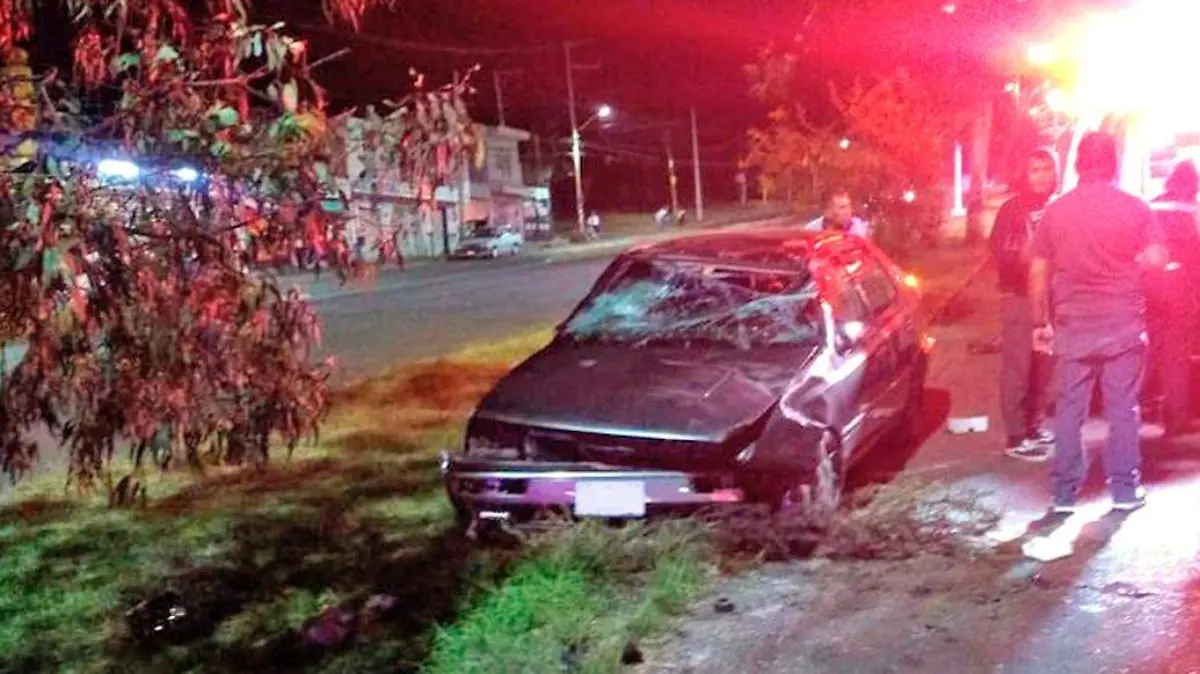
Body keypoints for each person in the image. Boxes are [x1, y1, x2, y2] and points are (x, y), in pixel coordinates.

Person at [1029, 131, 1168, 514]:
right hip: (1122, 323)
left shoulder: (1056, 211)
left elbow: (1038, 270)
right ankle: (1124, 490)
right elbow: (1156, 259)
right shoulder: (1135, 207)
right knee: (1122, 407)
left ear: (1077, 165)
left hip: (1073, 325)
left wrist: (1039, 321)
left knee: (1071, 408)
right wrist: (1131, 267)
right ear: (1113, 163)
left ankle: (1064, 495)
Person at [990, 148, 1059, 461]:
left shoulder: (1058, 207)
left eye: (1046, 168)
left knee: (1043, 366)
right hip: (1019, 297)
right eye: (1034, 169)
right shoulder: (1012, 210)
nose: (1041, 175)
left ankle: (1034, 424)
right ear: (1025, 174)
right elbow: (1001, 252)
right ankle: (1016, 434)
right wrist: (1027, 263)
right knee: (1019, 366)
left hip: (1051, 298)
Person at [1146, 160, 1200, 436]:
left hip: (1148, 285)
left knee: (1153, 348)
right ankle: (1175, 416)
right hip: (1178, 286)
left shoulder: (1152, 205)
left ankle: (1145, 402)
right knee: (1176, 353)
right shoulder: (1191, 210)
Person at [805, 188, 871, 237]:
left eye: (849, 205)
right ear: (827, 212)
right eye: (842, 207)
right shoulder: (810, 230)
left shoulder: (857, 229)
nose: (849, 211)